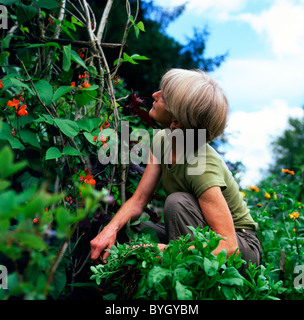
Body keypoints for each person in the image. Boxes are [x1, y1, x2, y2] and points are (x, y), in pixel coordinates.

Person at [90, 68, 261, 273]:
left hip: (241, 249)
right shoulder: (163, 140)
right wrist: (110, 230)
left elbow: (228, 247)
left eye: (164, 96)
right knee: (130, 232)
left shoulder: (202, 166)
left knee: (177, 202)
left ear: (177, 121)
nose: (155, 95)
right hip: (199, 235)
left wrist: (164, 251)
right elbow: (139, 200)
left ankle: (188, 287)